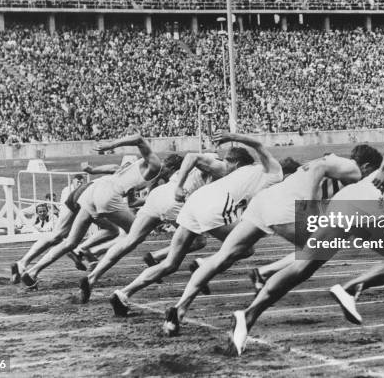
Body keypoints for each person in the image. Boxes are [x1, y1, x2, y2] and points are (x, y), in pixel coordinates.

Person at [229, 123, 384, 355]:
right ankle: (350, 289)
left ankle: (248, 316)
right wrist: (383, 168)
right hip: (367, 201)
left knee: (302, 266)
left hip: (351, 200)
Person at [168, 145, 383, 331]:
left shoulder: (334, 165)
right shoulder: (353, 169)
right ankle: (263, 276)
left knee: (222, 257)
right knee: (320, 248)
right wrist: (309, 203)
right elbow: (319, 169)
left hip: (265, 202)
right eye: (372, 172)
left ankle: (179, 309)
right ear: (367, 166)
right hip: (286, 207)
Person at [108, 132, 283, 327]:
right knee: (245, 248)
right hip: (214, 205)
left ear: (239, 163)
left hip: (196, 201)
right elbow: (258, 144)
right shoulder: (268, 173)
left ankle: (123, 293)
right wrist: (232, 136)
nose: (227, 167)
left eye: (230, 163)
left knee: (170, 263)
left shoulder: (258, 173)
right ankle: (200, 269)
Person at [77, 149, 244, 303]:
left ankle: (92, 277)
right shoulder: (220, 166)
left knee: (130, 240)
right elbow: (192, 157)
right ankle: (197, 266)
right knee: (198, 243)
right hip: (177, 201)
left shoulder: (201, 170)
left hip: (159, 195)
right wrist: (180, 187)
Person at [19, 133, 177, 288]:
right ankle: (93, 254)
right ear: (170, 168)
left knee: (70, 241)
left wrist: (151, 200)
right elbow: (138, 138)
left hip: (95, 190)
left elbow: (133, 201)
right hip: (109, 194)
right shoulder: (155, 163)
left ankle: (33, 272)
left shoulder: (140, 171)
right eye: (173, 174)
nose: (171, 178)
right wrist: (111, 145)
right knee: (134, 234)